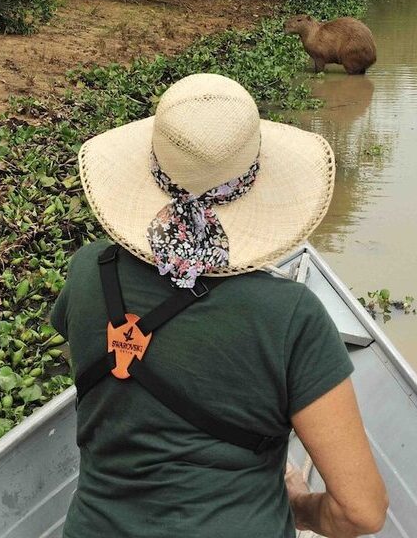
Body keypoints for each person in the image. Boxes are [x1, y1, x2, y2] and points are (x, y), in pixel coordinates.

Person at [50, 74, 388, 537]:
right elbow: (361, 513)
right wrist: (300, 508)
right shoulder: (292, 317)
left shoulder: (90, 269)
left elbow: (104, 386)